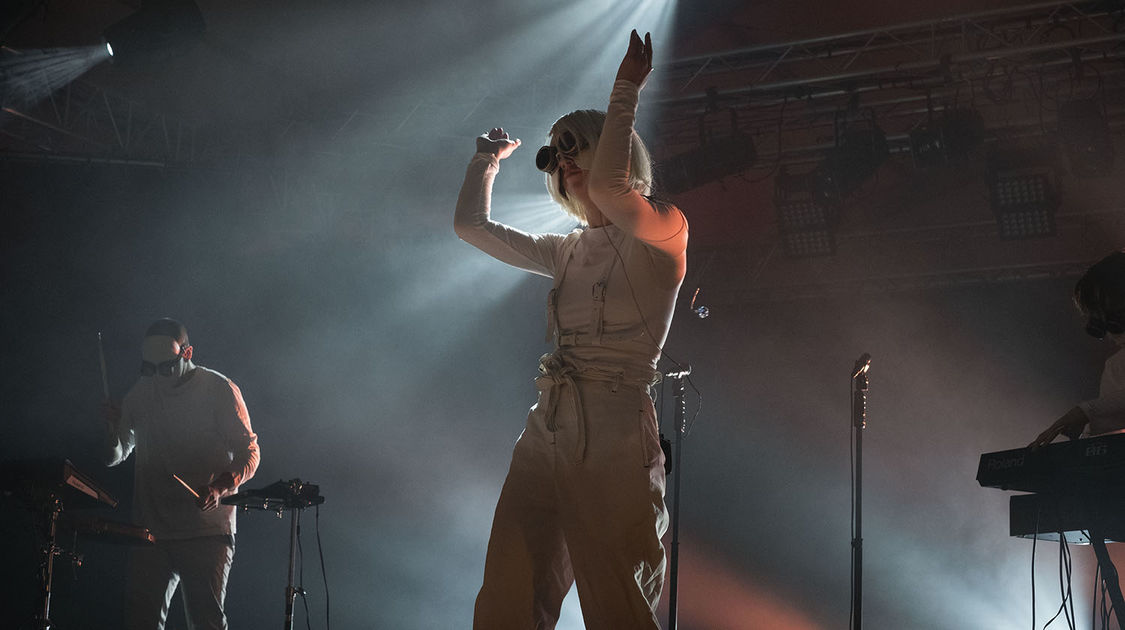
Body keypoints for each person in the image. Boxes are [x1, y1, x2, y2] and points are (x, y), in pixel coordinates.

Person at [454, 30, 688, 629]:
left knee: (617, 600)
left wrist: (626, 89)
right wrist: (485, 160)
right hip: (548, 423)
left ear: (617, 151)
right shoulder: (565, 251)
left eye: (573, 149)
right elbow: (472, 227)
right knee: (509, 592)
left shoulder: (663, 233)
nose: (562, 163)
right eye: (556, 158)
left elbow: (613, 187)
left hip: (614, 426)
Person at [101, 318, 261, 630]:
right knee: (140, 625)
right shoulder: (141, 392)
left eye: (165, 367)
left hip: (205, 532)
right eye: (149, 368)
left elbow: (250, 453)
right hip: (150, 531)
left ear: (187, 353)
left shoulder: (218, 389)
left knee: (205, 624)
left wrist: (218, 488)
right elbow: (115, 457)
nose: (157, 376)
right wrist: (109, 430)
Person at [1032, 251, 1125, 448]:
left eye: (1114, 316)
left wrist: (1085, 411)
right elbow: (1107, 433)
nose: (1111, 334)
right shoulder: (1115, 366)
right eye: (1101, 322)